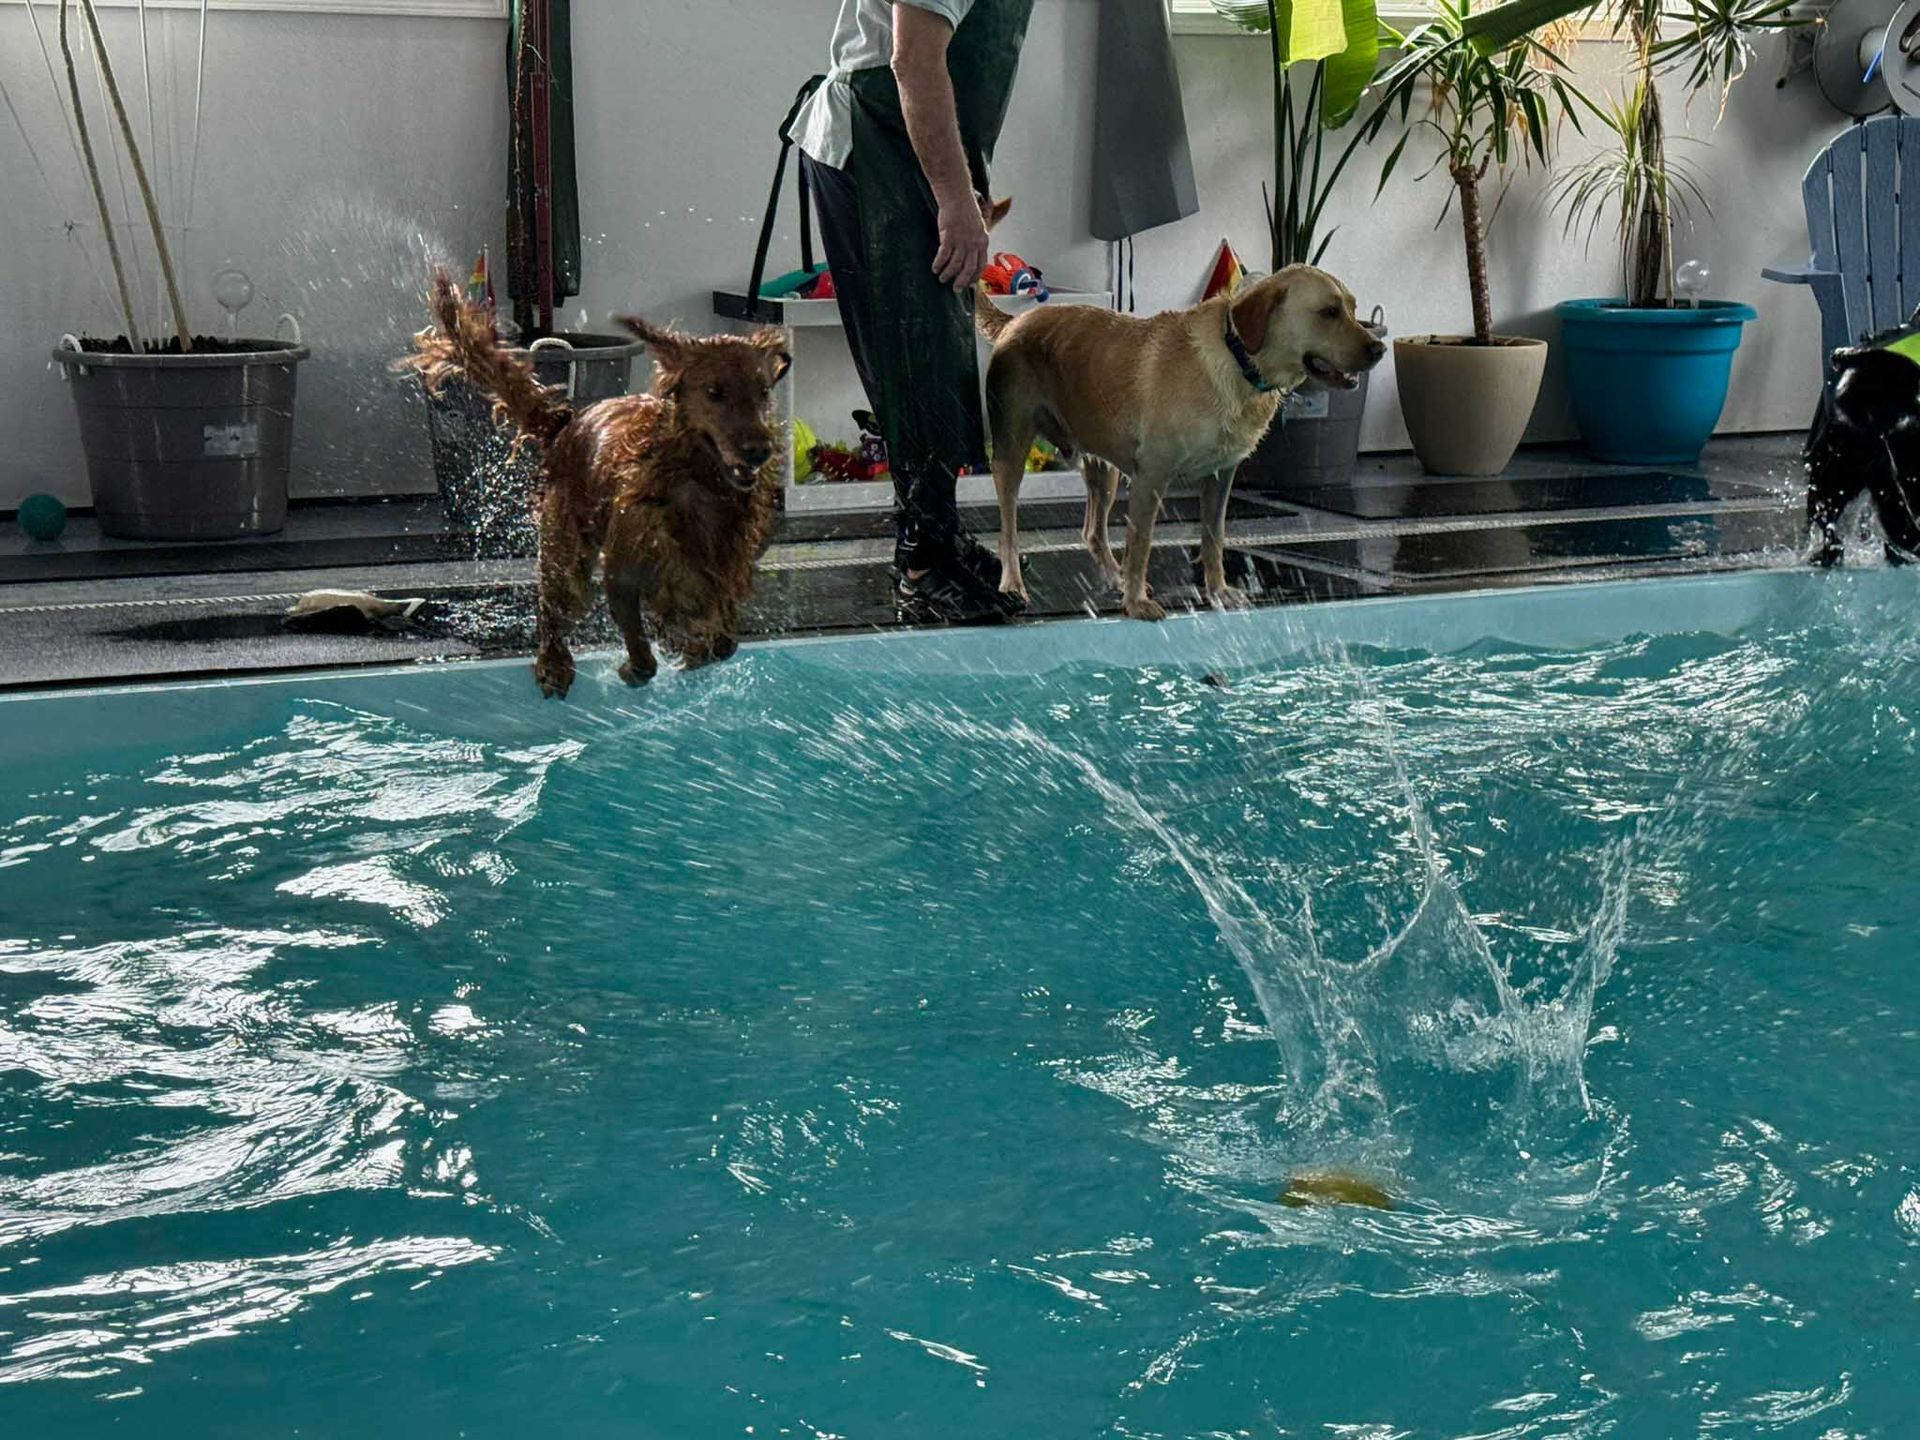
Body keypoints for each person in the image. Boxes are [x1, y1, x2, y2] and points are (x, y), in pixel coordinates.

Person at [792, 1, 1036, 624]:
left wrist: (964, 180)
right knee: (915, 360)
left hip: (903, 140)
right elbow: (914, 61)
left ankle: (937, 535)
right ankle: (924, 562)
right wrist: (954, 198)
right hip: (875, 143)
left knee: (936, 350)